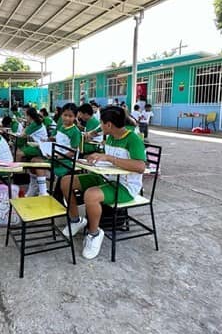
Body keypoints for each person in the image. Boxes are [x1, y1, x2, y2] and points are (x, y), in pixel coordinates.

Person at [59, 106, 146, 260]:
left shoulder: (133, 139)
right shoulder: (111, 136)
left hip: (124, 186)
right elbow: (106, 155)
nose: (99, 126)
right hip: (105, 176)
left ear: (109, 125)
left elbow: (140, 167)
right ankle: (76, 220)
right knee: (67, 181)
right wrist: (92, 160)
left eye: (102, 123)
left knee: (91, 195)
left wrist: (108, 158)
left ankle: (94, 234)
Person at [28, 103, 81, 196]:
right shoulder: (62, 127)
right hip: (57, 155)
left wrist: (58, 156)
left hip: (66, 161)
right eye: (65, 115)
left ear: (75, 117)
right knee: (33, 162)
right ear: (61, 115)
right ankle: (35, 187)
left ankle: (43, 192)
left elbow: (73, 152)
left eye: (70, 116)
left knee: (38, 163)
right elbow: (59, 139)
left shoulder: (75, 132)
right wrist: (48, 139)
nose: (67, 118)